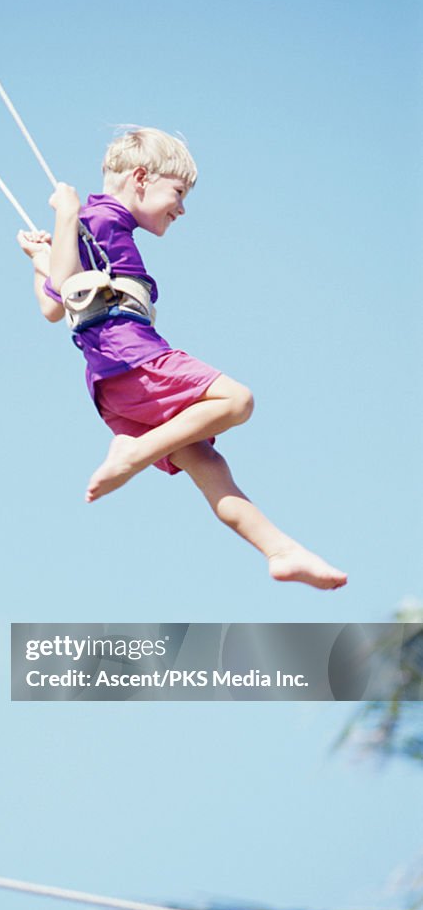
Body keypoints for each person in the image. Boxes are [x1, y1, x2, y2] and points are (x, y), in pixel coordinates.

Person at [18, 128, 347, 590]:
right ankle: (134, 452)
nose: (182, 207)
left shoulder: (96, 227)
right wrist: (66, 216)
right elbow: (62, 292)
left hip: (114, 388)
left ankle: (281, 551)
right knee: (236, 400)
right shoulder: (103, 217)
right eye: (177, 191)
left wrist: (40, 260)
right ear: (140, 177)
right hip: (134, 359)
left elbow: (54, 306)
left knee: (208, 467)